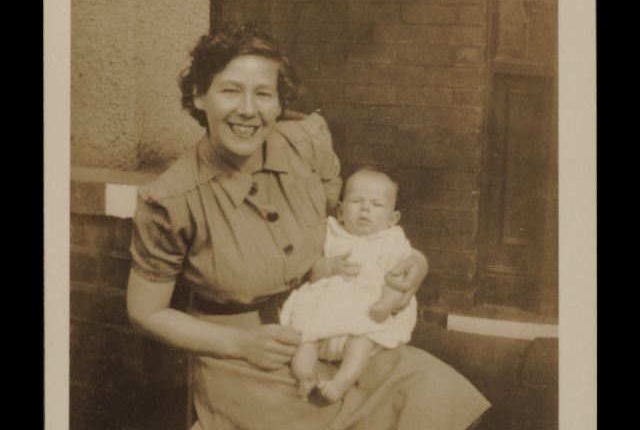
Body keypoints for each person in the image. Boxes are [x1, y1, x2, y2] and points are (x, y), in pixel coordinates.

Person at [126, 21, 490, 430]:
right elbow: (144, 311)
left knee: (437, 396)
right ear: (199, 96)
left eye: (263, 93)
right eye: (230, 90)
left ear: (279, 103)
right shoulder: (172, 199)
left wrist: (416, 262)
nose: (248, 109)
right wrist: (239, 343)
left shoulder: (305, 144)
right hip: (247, 357)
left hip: (339, 325)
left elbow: (351, 226)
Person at [280, 168, 419, 402]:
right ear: (341, 210)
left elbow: (398, 278)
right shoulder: (331, 232)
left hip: (363, 311)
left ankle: (341, 381)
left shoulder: (392, 241)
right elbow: (312, 269)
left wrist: (386, 303)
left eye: (376, 204)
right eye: (356, 201)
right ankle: (305, 376)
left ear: (392, 219)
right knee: (304, 338)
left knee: (361, 342)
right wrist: (330, 267)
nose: (365, 209)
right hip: (324, 310)